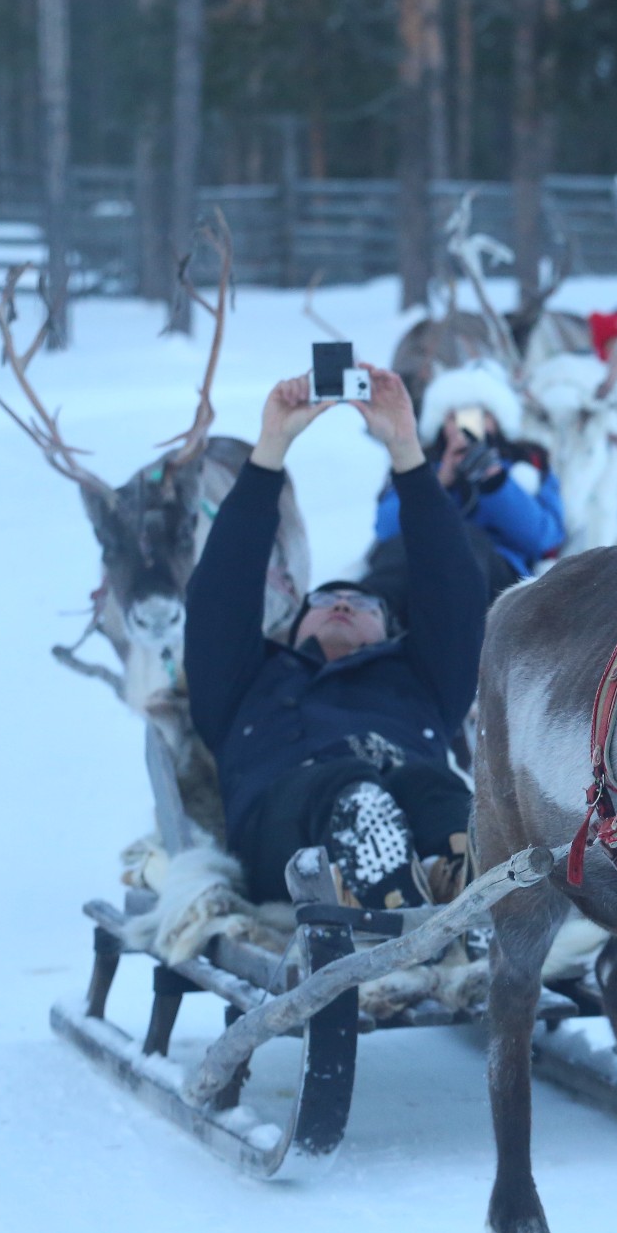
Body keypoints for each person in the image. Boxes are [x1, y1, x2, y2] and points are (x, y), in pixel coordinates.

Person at [184, 366, 489, 908]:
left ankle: (464, 888)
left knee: (432, 787)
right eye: (323, 601)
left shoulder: (421, 680)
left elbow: (452, 589)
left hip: (414, 800)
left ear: (389, 629)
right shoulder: (243, 682)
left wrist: (405, 451)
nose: (343, 603)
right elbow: (221, 591)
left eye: (363, 603)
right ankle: (394, 918)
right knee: (350, 788)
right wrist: (271, 448)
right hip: (284, 833)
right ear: (295, 626)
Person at [364, 362, 565, 607]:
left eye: (481, 415)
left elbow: (544, 537)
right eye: (454, 416)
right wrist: (436, 484)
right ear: (440, 424)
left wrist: (495, 482)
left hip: (497, 574)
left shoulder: (528, 463)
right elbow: (386, 529)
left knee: (463, 540)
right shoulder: (417, 465)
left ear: (499, 421)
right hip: (416, 564)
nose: (467, 425)